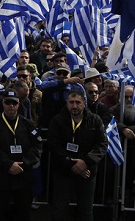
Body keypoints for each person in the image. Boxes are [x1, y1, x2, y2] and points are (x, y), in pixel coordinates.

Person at [47, 91, 108, 221]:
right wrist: (73, 164)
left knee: (86, 211)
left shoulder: (95, 120)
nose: (74, 106)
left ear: (84, 103)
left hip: (87, 172)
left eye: (78, 102)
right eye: (71, 102)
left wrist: (85, 162)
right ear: (67, 103)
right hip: (63, 172)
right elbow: (54, 145)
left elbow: (102, 145)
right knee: (59, 210)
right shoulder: (57, 120)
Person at [0, 90, 43, 220]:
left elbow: (38, 146)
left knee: (23, 213)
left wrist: (25, 162)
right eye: (8, 102)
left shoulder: (27, 124)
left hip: (23, 175)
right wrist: (9, 164)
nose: (11, 105)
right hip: (0, 176)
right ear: (3, 103)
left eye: (14, 103)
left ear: (18, 104)